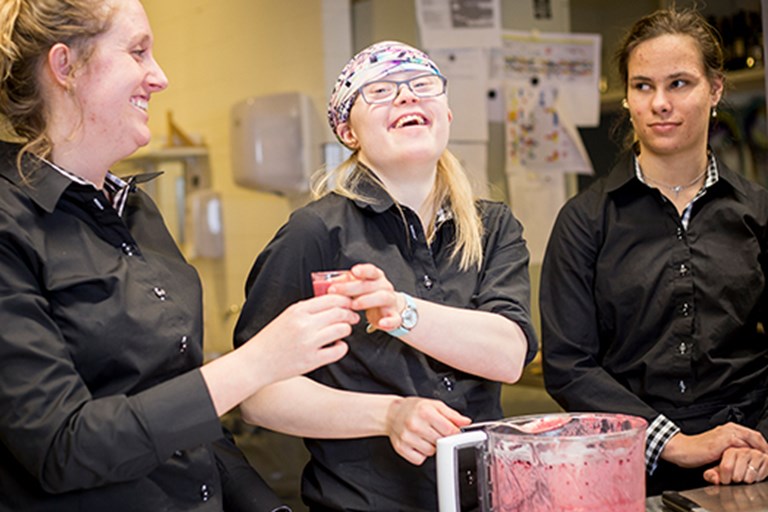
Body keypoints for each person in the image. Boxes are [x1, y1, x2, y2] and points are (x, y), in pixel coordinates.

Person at [0, 1, 359, 511]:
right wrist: (257, 362)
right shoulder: (10, 221)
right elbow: (63, 448)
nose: (159, 77)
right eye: (138, 52)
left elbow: (190, 419)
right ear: (65, 66)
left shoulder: (136, 212)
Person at [233, 41, 538, 511]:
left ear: (447, 116)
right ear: (348, 131)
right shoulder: (314, 233)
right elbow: (257, 392)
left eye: (422, 85)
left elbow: (508, 355)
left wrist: (401, 311)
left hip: (487, 497)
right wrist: (390, 415)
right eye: (379, 91)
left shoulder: (492, 227)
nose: (406, 97)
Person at [540, 7, 768, 496]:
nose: (659, 103)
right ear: (627, 97)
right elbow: (568, 364)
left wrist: (758, 442)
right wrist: (674, 442)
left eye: (679, 84)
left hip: (747, 466)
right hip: (626, 472)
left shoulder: (759, 212)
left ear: (716, 89)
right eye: (643, 86)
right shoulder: (584, 221)